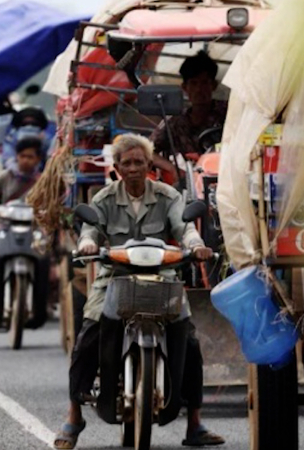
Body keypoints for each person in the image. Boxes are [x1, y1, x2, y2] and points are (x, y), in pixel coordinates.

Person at [53, 134, 224, 449]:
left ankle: (195, 423)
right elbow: (90, 229)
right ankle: (74, 415)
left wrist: (196, 245)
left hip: (162, 277)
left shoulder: (168, 196)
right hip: (114, 278)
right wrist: (88, 243)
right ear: (117, 167)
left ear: (149, 165)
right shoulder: (103, 198)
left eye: (139, 162)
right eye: (127, 163)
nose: (133, 168)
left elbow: (184, 227)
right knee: (88, 335)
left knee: (188, 340)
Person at [0, 137, 45, 320]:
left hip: (32, 226)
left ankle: (42, 304)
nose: (26, 160)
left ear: (38, 160)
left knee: (44, 259)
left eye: (30, 157)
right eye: (22, 156)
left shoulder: (41, 180)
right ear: (16, 157)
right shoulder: (7, 175)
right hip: (7, 225)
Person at [150, 51, 228, 177]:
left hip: (225, 177)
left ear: (213, 85)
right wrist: (172, 169)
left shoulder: (228, 112)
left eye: (204, 83)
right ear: (185, 87)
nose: (199, 89)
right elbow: (146, 150)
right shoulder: (175, 121)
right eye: (194, 83)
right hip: (190, 184)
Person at [1, 107, 52, 173]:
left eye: (33, 123)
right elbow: (7, 156)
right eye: (26, 124)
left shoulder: (45, 139)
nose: (26, 161)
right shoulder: (12, 136)